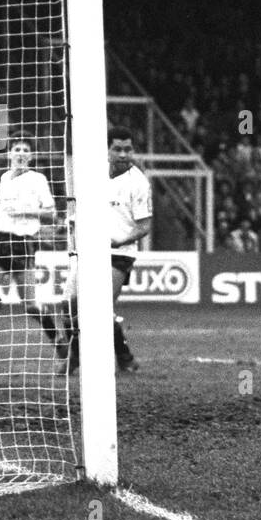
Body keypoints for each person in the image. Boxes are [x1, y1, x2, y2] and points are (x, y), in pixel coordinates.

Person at [61, 127, 152, 374]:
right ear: (108, 150)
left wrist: (120, 240)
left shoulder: (138, 183)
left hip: (119, 253)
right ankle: (124, 357)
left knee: (98, 306)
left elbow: (144, 226)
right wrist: (74, 219)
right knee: (68, 305)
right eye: (118, 149)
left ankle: (76, 357)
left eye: (128, 149)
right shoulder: (94, 172)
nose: (123, 154)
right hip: (89, 250)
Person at [0, 136, 60, 348]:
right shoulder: (5, 178)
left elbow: (52, 215)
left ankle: (58, 339)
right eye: (17, 149)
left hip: (22, 245)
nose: (21, 153)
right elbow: (8, 211)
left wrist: (25, 211)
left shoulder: (38, 179)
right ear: (10, 153)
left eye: (25, 149)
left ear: (31, 156)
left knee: (31, 306)